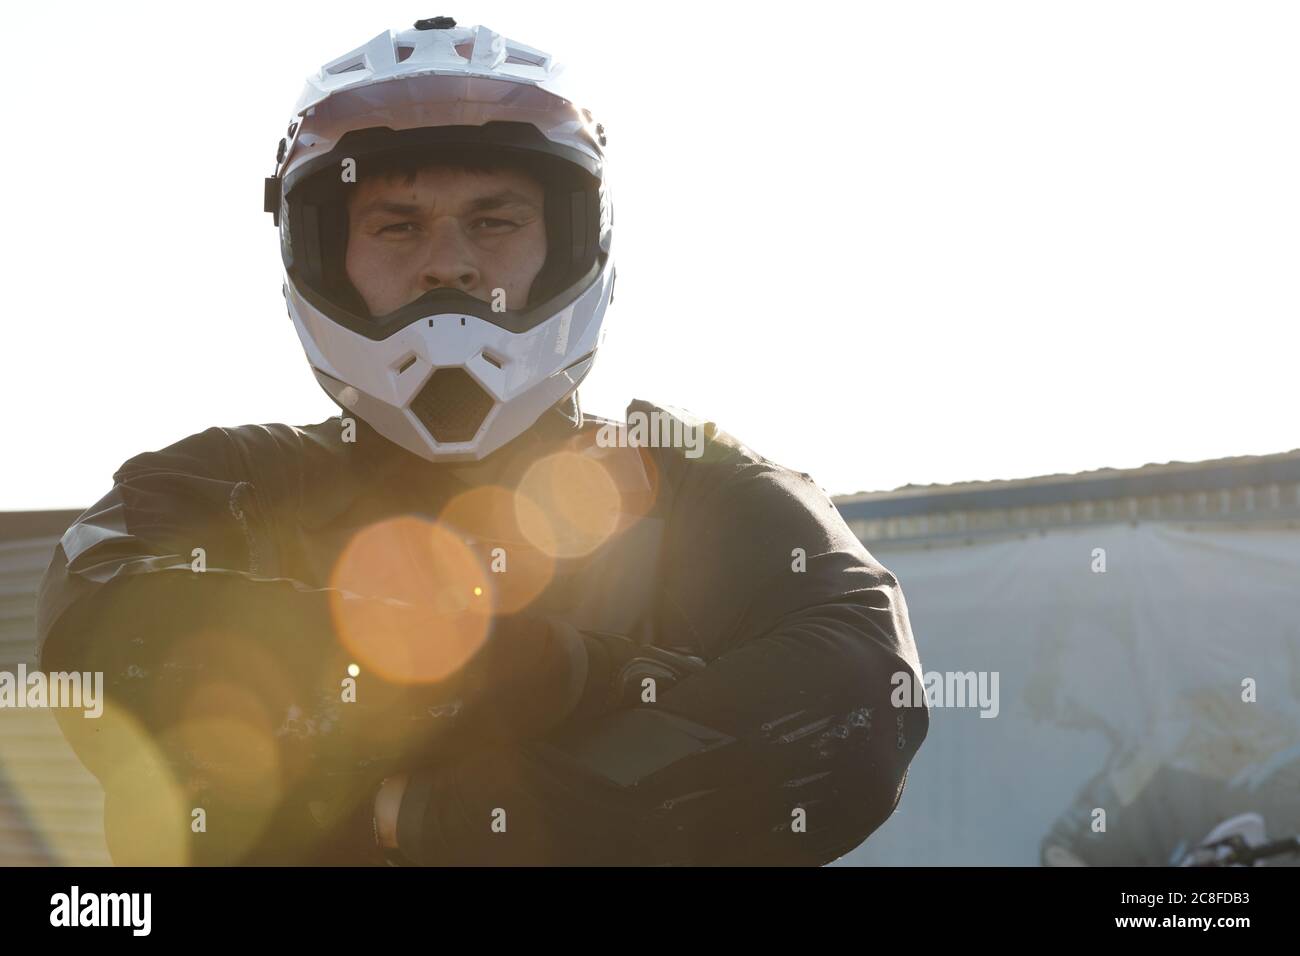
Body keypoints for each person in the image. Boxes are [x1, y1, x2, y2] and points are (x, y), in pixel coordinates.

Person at [35, 17, 929, 866]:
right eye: (397, 225)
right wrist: (582, 677)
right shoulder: (220, 479)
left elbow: (860, 705)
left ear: (573, 241)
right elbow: (112, 641)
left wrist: (404, 818)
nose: (450, 266)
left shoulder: (696, 478)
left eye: (495, 221)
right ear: (320, 253)